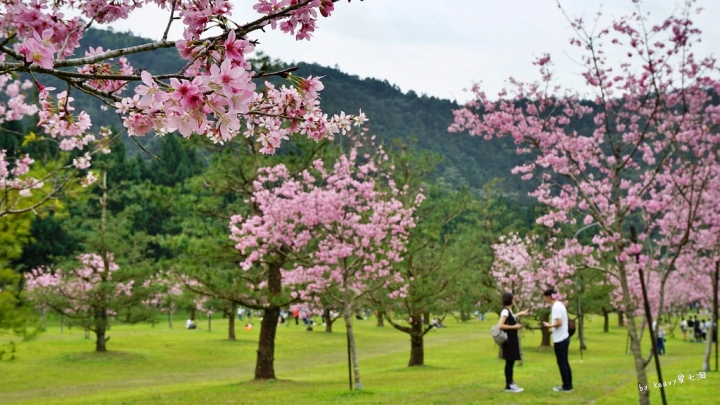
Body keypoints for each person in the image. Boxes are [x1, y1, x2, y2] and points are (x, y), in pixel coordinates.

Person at [498, 291, 529, 393]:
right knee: (509, 362)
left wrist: (521, 313)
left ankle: (510, 383)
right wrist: (514, 327)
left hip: (512, 339)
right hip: (508, 340)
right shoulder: (505, 311)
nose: (514, 300)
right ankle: (509, 384)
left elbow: (513, 317)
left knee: (510, 362)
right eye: (513, 298)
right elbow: (500, 325)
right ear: (510, 300)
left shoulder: (509, 311)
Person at [542, 288, 573, 393]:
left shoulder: (555, 307)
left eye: (545, 297)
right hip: (565, 337)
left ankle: (566, 386)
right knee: (565, 362)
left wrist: (549, 325)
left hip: (560, 339)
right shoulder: (561, 305)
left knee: (562, 363)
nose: (545, 300)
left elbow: (559, 322)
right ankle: (569, 384)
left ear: (548, 297)